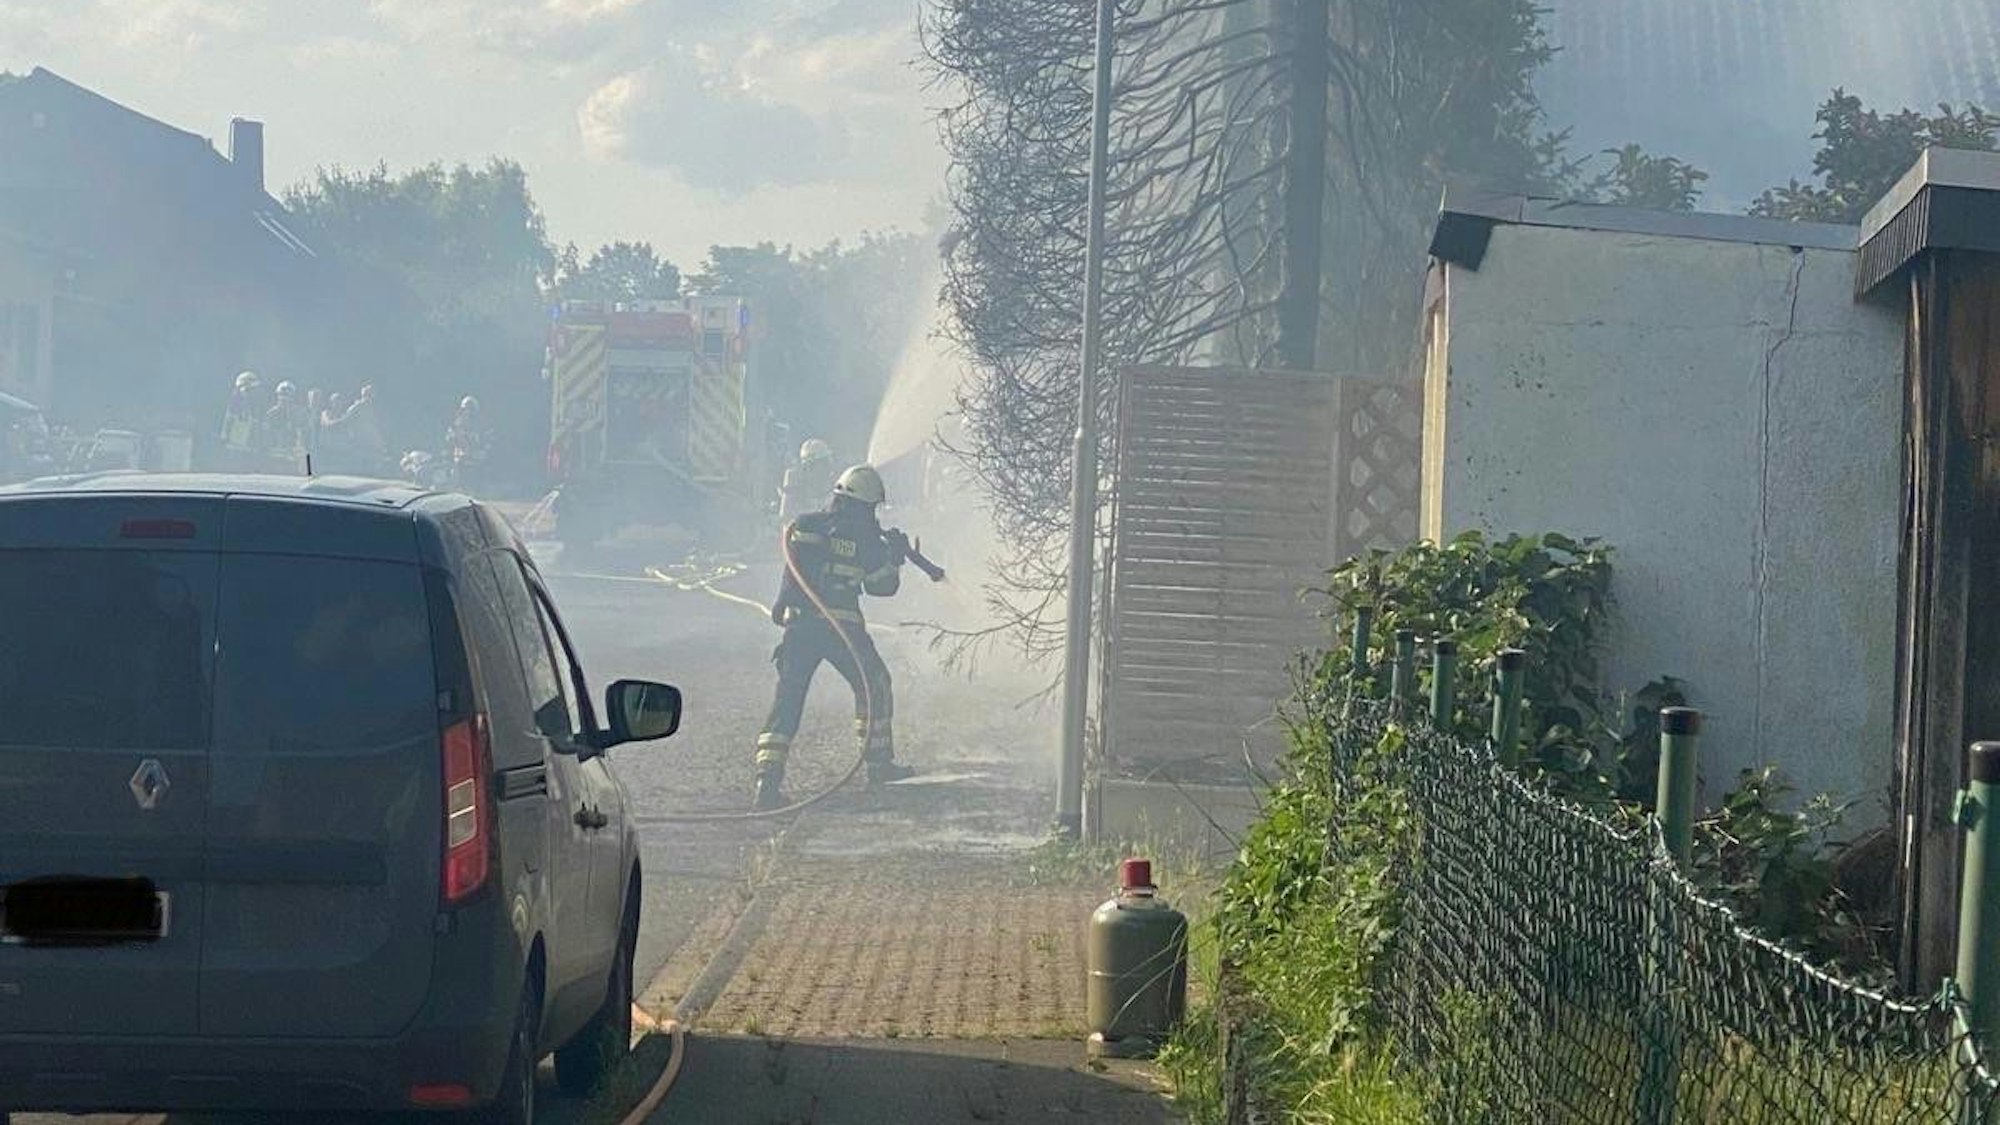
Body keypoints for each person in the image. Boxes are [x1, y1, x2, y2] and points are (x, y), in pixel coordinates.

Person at [752, 463, 915, 810]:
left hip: (800, 629)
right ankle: (878, 763)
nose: (872, 515)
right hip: (843, 630)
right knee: (875, 683)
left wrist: (782, 602)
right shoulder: (868, 539)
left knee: (787, 702)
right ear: (862, 504)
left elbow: (792, 569)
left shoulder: (806, 525)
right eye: (871, 508)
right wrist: (895, 558)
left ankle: (767, 781)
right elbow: (882, 587)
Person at [779, 438, 834, 522]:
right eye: (823, 463)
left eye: (827, 462)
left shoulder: (836, 487)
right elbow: (786, 517)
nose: (827, 466)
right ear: (808, 467)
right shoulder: (796, 492)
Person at [220, 371, 264, 471]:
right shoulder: (234, 403)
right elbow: (228, 422)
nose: (253, 393)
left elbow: (257, 425)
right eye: (250, 390)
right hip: (235, 447)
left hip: (250, 448)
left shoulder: (256, 406)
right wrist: (225, 437)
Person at [446, 395, 490, 491]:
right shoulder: (457, 422)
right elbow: (450, 437)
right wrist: (455, 441)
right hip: (460, 456)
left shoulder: (481, 424)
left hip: (476, 457)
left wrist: (478, 449)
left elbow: (485, 440)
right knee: (457, 469)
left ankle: (476, 488)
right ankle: (458, 487)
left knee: (475, 473)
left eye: (471, 409)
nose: (468, 412)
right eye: (466, 409)